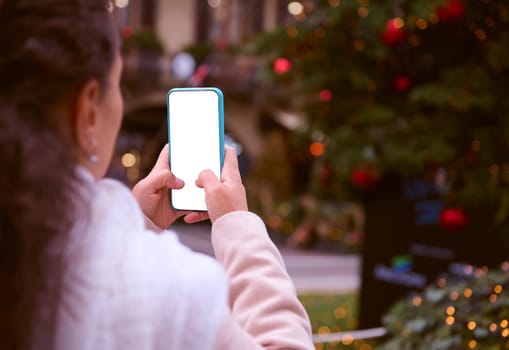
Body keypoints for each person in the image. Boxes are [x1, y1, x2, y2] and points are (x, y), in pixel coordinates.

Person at [0, 1, 314, 349]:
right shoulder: (173, 289)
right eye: (116, 83)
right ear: (87, 109)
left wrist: (135, 226)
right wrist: (240, 228)